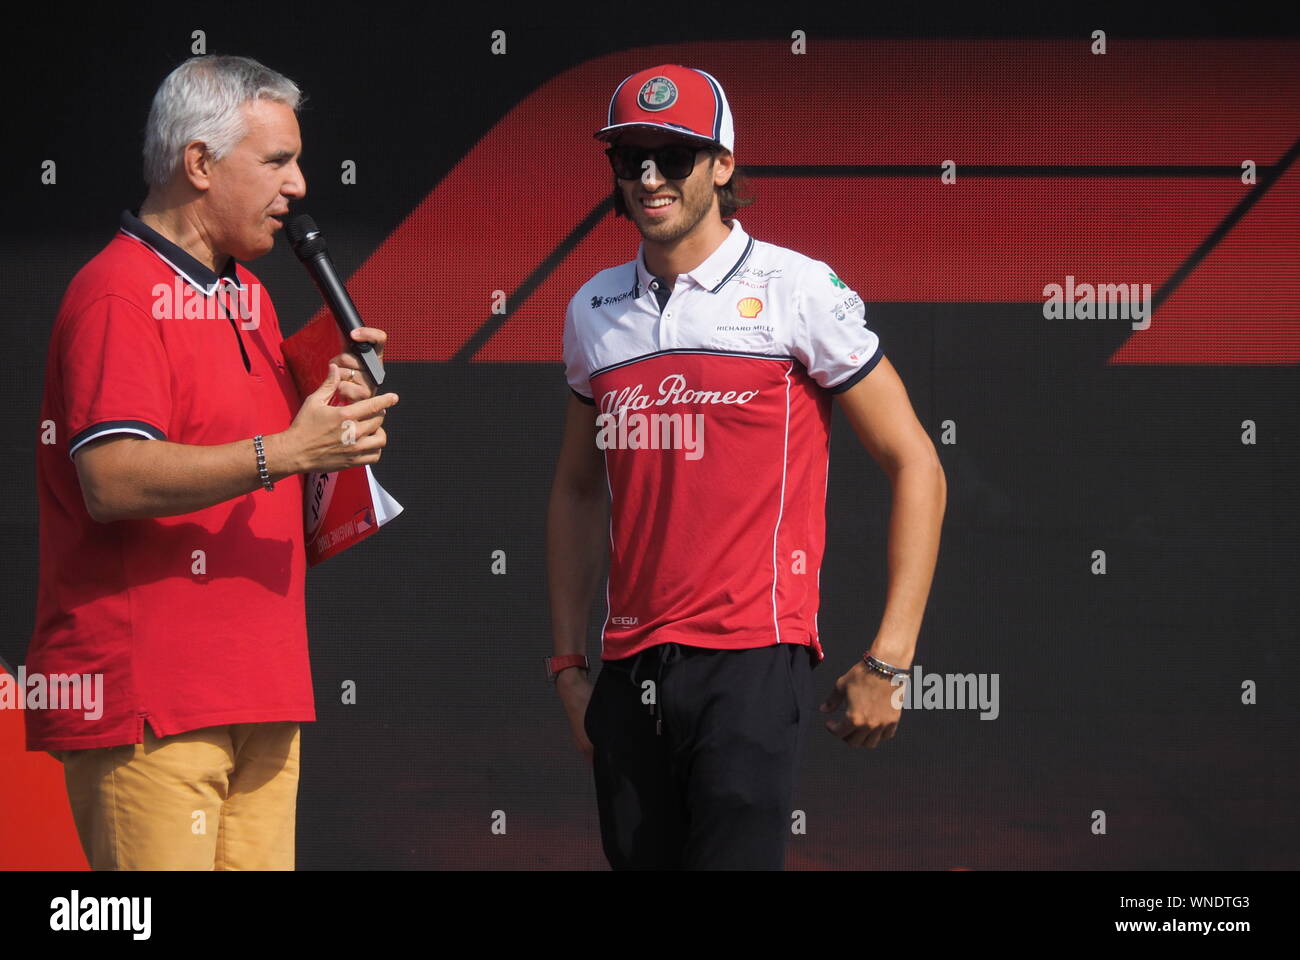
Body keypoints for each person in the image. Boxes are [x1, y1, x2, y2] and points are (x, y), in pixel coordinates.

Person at [547, 64, 947, 870]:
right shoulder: (593, 309)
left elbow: (916, 462)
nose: (650, 177)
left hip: (752, 659)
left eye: (674, 154)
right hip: (628, 668)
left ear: (724, 163)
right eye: (631, 159)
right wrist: (567, 666)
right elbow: (577, 489)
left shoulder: (797, 288)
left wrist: (889, 659)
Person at [25, 54, 398, 870]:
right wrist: (290, 449)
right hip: (152, 699)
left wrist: (325, 405)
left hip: (260, 689)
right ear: (198, 163)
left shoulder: (249, 296)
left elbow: (242, 441)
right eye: (276, 161)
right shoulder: (117, 291)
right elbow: (113, 477)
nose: (299, 184)